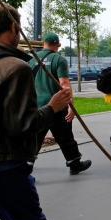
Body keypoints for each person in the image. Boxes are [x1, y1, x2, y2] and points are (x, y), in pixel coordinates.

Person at [0, 2, 86, 220]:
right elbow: (22, 125)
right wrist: (53, 107)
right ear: (14, 28)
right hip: (2, 165)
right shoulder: (15, 67)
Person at [29, 33, 91, 175]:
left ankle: (26, 168)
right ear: (57, 44)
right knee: (65, 136)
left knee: (35, 138)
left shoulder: (31, 60)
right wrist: (71, 105)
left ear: (43, 43)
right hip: (58, 106)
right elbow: (64, 84)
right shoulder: (59, 59)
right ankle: (74, 163)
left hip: (37, 107)